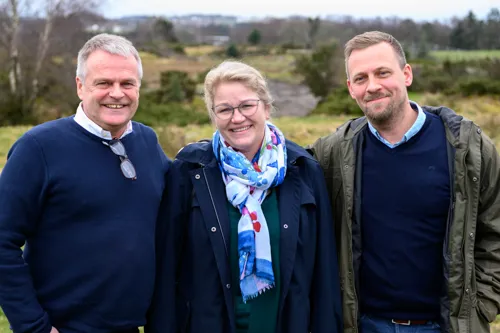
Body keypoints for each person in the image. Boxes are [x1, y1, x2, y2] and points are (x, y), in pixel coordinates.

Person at [308, 30, 500, 333]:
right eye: (361, 78)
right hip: (363, 324)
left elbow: (495, 230)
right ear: (350, 89)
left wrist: (482, 303)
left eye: (383, 73)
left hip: (444, 326)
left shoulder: (468, 149)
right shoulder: (333, 153)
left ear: (406, 74)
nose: (373, 86)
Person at [146, 60, 343, 333]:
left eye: (247, 106)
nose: (237, 118)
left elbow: (325, 274)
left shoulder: (303, 169)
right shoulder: (189, 172)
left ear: (266, 106)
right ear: (214, 116)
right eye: (224, 109)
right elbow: (167, 273)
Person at [0, 33, 170, 333]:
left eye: (127, 84)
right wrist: (33, 326)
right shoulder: (38, 148)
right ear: (80, 86)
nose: (116, 93)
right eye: (103, 83)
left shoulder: (147, 142)